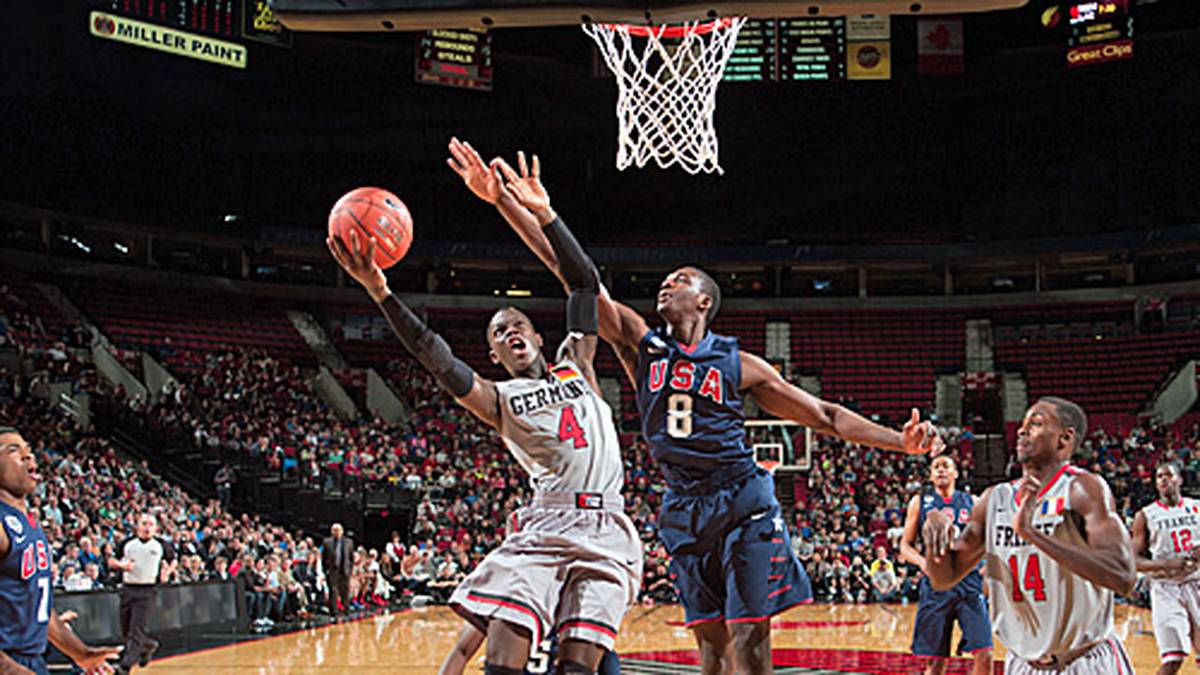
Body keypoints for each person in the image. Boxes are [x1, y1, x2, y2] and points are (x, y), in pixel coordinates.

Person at [448, 139, 941, 674]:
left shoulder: (738, 363)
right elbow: (575, 278)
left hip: (741, 499)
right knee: (711, 645)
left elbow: (822, 415)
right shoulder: (641, 343)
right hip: (682, 506)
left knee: (749, 635)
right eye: (666, 279)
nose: (666, 282)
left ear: (704, 300)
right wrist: (515, 206)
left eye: (679, 280)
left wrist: (898, 441)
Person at [328, 221, 641, 674]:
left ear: (538, 337)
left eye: (518, 324)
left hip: (607, 524)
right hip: (548, 523)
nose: (510, 331)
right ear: (494, 354)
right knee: (502, 662)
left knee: (581, 666)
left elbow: (584, 284)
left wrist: (545, 215)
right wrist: (381, 292)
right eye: (499, 332)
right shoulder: (498, 398)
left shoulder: (578, 366)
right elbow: (435, 356)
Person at [923, 398, 1137, 674]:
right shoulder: (995, 499)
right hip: (1024, 664)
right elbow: (944, 578)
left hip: (1083, 661)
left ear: (1065, 438)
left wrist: (1032, 534)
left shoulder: (1083, 488)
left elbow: (1123, 577)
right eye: (1023, 425)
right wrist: (934, 534)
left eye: (1036, 424)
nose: (1022, 431)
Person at [0, 426, 122, 675]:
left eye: (28, 450)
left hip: (30, 661)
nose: (28, 456)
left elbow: (38, 606)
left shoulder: (29, 522)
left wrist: (81, 653)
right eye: (13, 451)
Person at [899, 454, 992, 675]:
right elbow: (905, 545)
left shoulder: (973, 502)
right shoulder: (919, 502)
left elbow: (991, 541)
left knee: (985, 653)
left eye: (946, 466)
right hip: (936, 586)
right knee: (936, 661)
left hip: (968, 583)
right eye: (936, 467)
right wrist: (924, 564)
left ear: (956, 473)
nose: (941, 470)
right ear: (931, 475)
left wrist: (986, 569)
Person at [1131, 460, 1200, 674]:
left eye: (1168, 475)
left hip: (1196, 583)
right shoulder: (1146, 515)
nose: (1163, 480)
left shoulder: (1197, 507)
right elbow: (1133, 561)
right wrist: (1166, 564)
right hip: (1165, 589)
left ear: (1179, 479)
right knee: (1173, 658)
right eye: (1159, 476)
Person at [108, 512, 176, 674]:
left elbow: (173, 560)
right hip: (128, 588)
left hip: (147, 590)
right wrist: (122, 566)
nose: (147, 528)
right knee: (126, 631)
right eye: (144, 524)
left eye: (150, 524)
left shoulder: (161, 545)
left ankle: (125, 666)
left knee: (136, 630)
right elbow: (111, 561)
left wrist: (167, 571)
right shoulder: (128, 543)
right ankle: (147, 647)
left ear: (156, 528)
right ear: (137, 526)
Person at [321, 523, 354, 615]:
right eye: (334, 530)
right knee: (333, 591)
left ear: (342, 531)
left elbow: (351, 558)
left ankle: (346, 609)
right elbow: (324, 558)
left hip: (344, 569)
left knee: (345, 590)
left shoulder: (349, 542)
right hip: (332, 570)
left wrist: (350, 569)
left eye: (338, 530)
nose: (336, 532)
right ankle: (334, 611)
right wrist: (325, 570)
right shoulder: (327, 542)